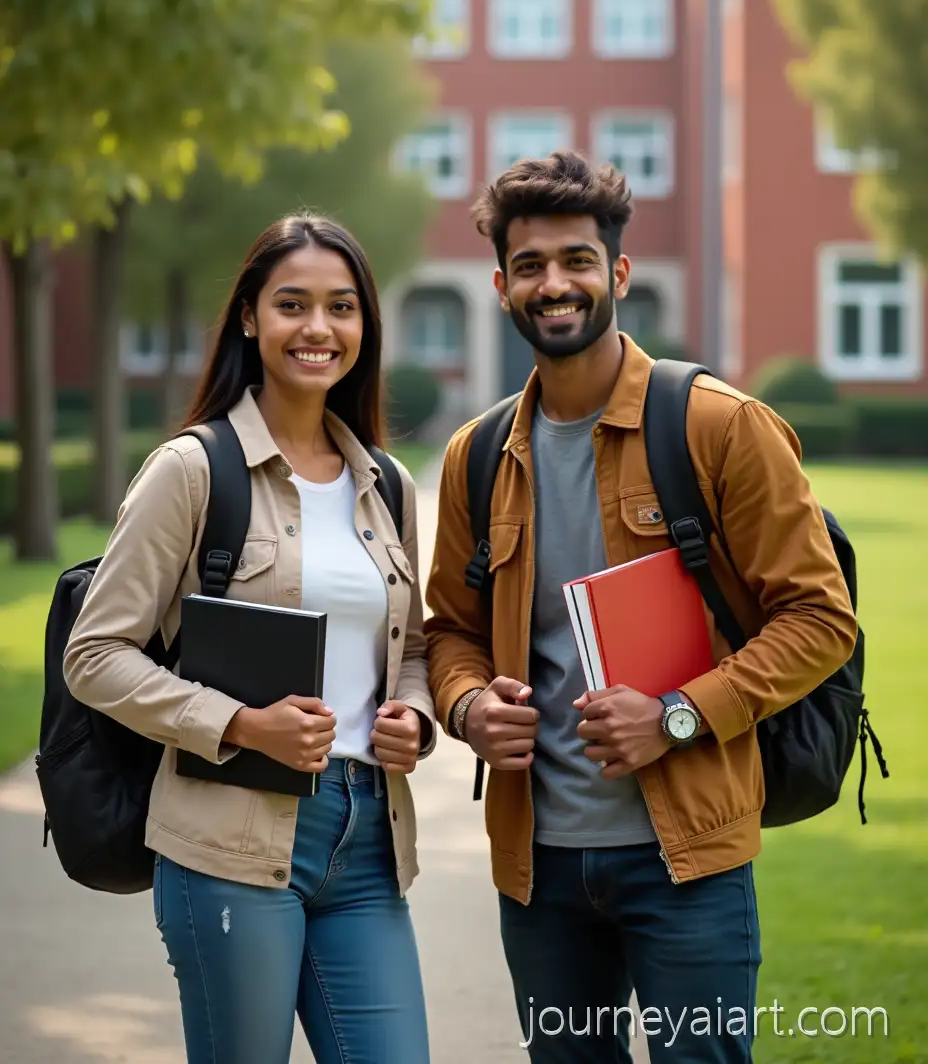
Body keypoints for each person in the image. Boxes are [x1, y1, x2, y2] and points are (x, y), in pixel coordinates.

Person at [423, 151, 858, 1063]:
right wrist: (466, 706)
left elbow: (820, 619)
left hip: (687, 859)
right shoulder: (476, 455)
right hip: (537, 869)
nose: (555, 284)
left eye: (577, 260)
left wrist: (678, 715)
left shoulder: (719, 425)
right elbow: (451, 633)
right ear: (502, 285)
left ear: (617, 273)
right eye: (532, 265)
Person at [63, 214, 436, 1064]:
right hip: (230, 837)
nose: (318, 329)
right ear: (248, 318)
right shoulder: (192, 470)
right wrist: (239, 723)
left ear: (364, 326)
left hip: (369, 836)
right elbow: (94, 655)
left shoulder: (389, 486)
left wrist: (412, 715)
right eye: (292, 304)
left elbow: (411, 645)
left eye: (342, 308)